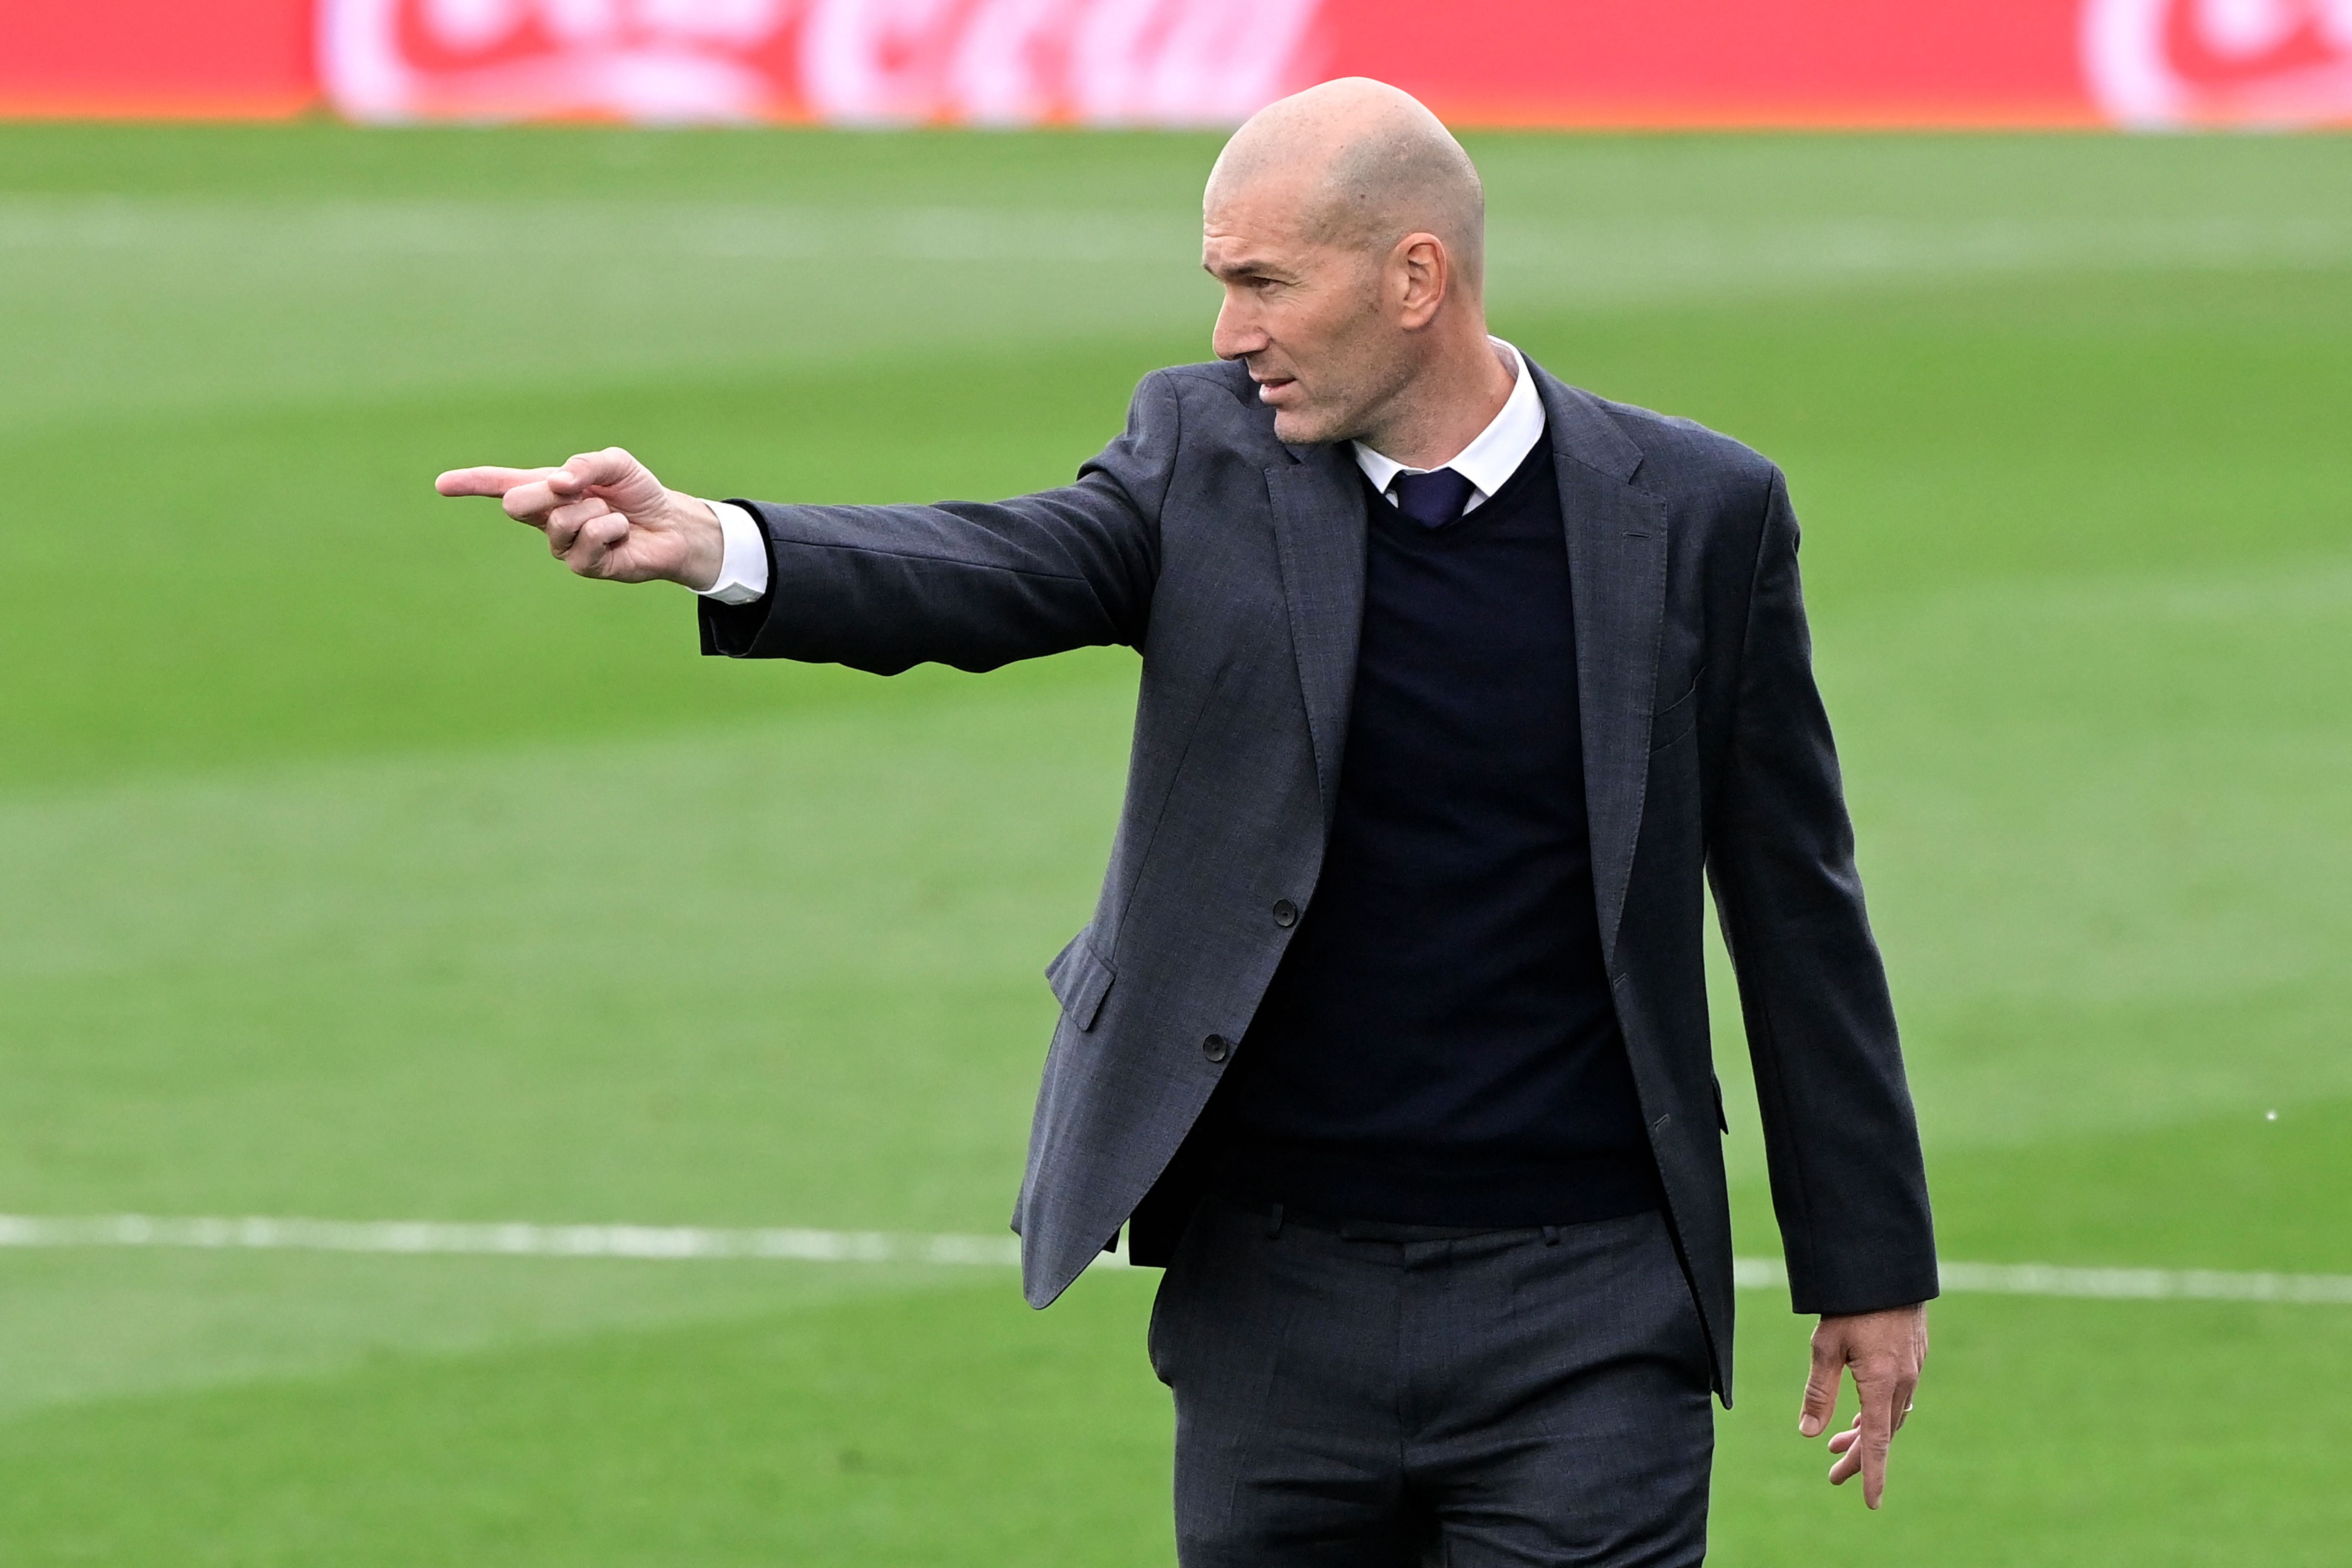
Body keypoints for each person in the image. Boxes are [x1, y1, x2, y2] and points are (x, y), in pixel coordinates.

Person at [438, 77, 1934, 1566]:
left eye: (1265, 282)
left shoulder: (1693, 513)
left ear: (1416, 277)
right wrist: (718, 547)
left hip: (1589, 1309)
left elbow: (1795, 905)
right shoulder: (1203, 452)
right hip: (1274, 1303)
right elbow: (996, 567)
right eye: (1222, 284)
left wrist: (1866, 1265)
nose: (1232, 332)